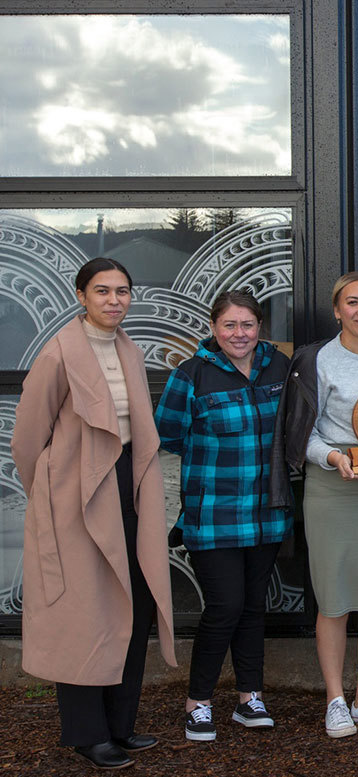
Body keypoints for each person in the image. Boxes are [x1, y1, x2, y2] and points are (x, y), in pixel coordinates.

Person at [13, 257, 176, 770]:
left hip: (128, 485)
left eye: (122, 291)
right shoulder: (59, 352)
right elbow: (27, 440)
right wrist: (52, 495)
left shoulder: (127, 347)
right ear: (81, 295)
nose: (114, 300)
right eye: (102, 291)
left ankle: (120, 727)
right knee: (85, 614)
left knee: (133, 604)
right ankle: (88, 733)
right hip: (76, 497)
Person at [271, 272, 358, 738]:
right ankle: (334, 699)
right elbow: (301, 433)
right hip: (334, 487)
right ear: (336, 310)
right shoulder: (314, 359)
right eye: (352, 302)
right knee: (333, 600)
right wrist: (335, 458)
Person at [154, 290, 291, 742]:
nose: (239, 334)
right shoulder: (191, 375)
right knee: (224, 607)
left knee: (253, 608)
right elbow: (168, 435)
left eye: (247, 325)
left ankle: (249, 699)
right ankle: (199, 702)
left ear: (260, 328)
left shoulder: (278, 367)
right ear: (214, 328)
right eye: (230, 325)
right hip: (212, 515)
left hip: (267, 511)